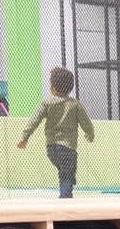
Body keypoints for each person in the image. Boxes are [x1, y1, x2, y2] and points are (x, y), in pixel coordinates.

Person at [17, 66, 94, 199]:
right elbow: (85, 122)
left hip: (51, 149)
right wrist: (90, 133)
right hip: (68, 149)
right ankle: (65, 197)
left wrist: (25, 137)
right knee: (67, 174)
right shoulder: (75, 104)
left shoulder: (47, 102)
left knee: (65, 172)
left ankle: (67, 185)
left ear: (52, 87)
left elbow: (34, 120)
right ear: (70, 88)